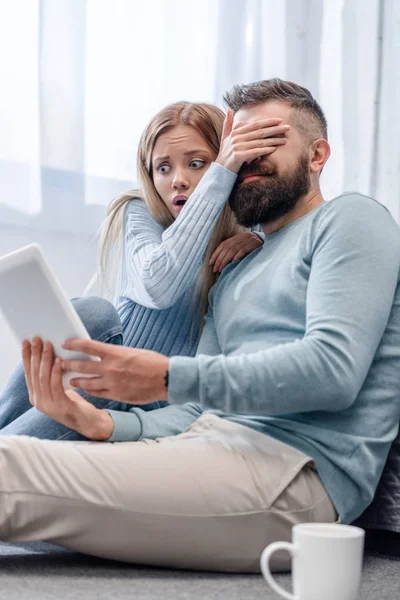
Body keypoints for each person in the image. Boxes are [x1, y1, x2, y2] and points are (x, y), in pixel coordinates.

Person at [2, 78, 400, 574]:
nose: (246, 157)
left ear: (317, 155)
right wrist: (103, 423)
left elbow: (333, 371)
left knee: (9, 469)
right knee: (12, 455)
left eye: (266, 140)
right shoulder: (232, 270)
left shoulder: (352, 219)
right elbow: (196, 408)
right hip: (201, 444)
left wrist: (166, 376)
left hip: (291, 474)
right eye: (237, 145)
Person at [0, 100, 288, 441]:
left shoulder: (250, 243)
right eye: (163, 168)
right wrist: (219, 174)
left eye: (197, 164)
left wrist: (256, 239)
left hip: (153, 405)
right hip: (100, 379)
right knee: (93, 313)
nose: (178, 180)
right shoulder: (139, 212)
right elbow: (158, 284)